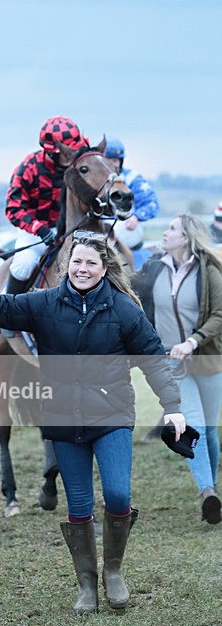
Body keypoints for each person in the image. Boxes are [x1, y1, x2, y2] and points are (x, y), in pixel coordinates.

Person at [0, 230, 185, 614]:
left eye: (91, 263)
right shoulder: (44, 303)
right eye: (77, 262)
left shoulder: (123, 309)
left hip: (112, 415)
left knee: (118, 495)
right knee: (79, 506)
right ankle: (86, 583)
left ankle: (113, 572)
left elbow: (153, 357)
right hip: (64, 420)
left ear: (104, 269)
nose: (82, 269)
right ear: (67, 265)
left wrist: (172, 404)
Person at [133, 214, 222, 524]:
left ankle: (211, 486)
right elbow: (128, 286)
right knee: (192, 424)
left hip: (207, 359)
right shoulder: (154, 267)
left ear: (186, 237)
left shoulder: (209, 270)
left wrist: (193, 342)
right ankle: (208, 492)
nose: (166, 233)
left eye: (172, 229)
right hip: (171, 362)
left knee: (209, 431)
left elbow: (219, 315)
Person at [4, 116, 89, 297]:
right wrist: (40, 229)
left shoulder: (80, 165)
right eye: (67, 153)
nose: (72, 157)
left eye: (74, 151)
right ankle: (7, 317)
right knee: (23, 265)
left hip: (71, 229)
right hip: (35, 230)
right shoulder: (29, 167)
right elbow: (13, 208)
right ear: (51, 152)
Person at [104, 137, 160, 270]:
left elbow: (152, 203)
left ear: (120, 161)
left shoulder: (132, 179)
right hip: (100, 232)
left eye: (115, 160)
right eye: (107, 161)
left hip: (125, 233)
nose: (112, 165)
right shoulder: (95, 180)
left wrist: (136, 216)